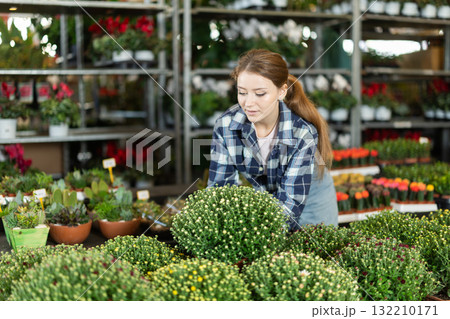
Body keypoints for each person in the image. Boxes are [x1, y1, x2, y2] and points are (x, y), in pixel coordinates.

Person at [207, 49, 338, 231]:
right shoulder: (226, 125)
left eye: (260, 94)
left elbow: (289, 209)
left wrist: (247, 234)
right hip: (269, 204)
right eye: (242, 92)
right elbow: (219, 190)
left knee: (312, 253)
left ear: (282, 91)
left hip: (311, 203)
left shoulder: (301, 134)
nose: (249, 103)